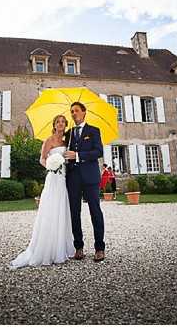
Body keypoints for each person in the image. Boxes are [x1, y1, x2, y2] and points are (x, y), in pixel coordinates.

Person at [10, 115, 74, 269]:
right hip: (53, 178)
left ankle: (61, 247)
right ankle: (46, 248)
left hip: (64, 178)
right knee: (51, 210)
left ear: (65, 125)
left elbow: (68, 158)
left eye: (63, 122)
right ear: (54, 124)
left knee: (62, 210)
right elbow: (42, 159)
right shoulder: (49, 140)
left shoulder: (66, 142)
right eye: (58, 122)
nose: (60, 124)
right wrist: (50, 166)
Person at [63, 102, 106, 262]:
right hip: (73, 178)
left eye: (76, 111)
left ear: (84, 112)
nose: (73, 114)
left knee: (95, 211)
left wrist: (78, 155)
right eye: (71, 111)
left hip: (90, 177)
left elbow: (98, 151)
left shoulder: (93, 131)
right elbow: (63, 151)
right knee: (75, 213)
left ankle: (100, 248)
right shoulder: (68, 134)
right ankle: (78, 247)